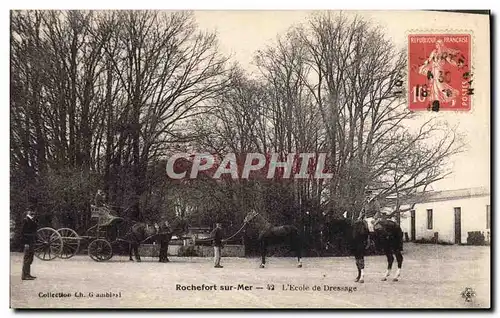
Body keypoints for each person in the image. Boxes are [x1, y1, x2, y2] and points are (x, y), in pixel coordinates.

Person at [21, 210, 38, 280]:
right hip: (28, 243)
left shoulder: (31, 220)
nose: (33, 215)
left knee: (30, 259)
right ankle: (25, 275)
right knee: (27, 259)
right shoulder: (26, 220)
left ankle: (28, 274)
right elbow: (23, 233)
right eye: (32, 213)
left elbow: (34, 230)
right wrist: (26, 243)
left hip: (31, 242)